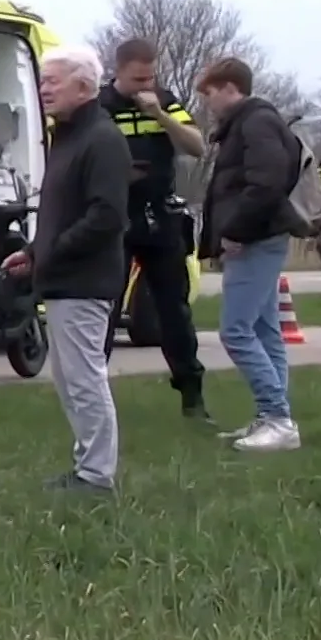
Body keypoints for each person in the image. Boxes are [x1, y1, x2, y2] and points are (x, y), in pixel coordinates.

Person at [1, 44, 130, 493]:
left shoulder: (103, 140)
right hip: (61, 278)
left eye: (52, 81)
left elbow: (105, 216)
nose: (44, 90)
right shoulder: (68, 137)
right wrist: (36, 252)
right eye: (42, 82)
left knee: (84, 379)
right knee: (69, 380)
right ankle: (86, 467)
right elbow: (60, 212)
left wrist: (53, 253)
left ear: (83, 85)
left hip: (85, 281)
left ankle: (96, 476)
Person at [196, 57, 309, 452]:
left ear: (230, 87)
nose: (208, 102)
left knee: (236, 331)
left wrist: (235, 231)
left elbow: (266, 183)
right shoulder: (249, 123)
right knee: (265, 331)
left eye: (209, 93)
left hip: (255, 239)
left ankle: (277, 418)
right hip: (261, 237)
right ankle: (274, 419)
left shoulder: (256, 122)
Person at [100, 38, 209, 419]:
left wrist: (161, 115)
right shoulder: (99, 107)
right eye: (137, 78)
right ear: (119, 71)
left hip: (160, 215)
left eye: (151, 76)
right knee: (105, 307)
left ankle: (192, 395)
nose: (145, 84)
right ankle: (95, 396)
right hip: (115, 215)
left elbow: (197, 147)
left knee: (173, 310)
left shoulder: (164, 98)